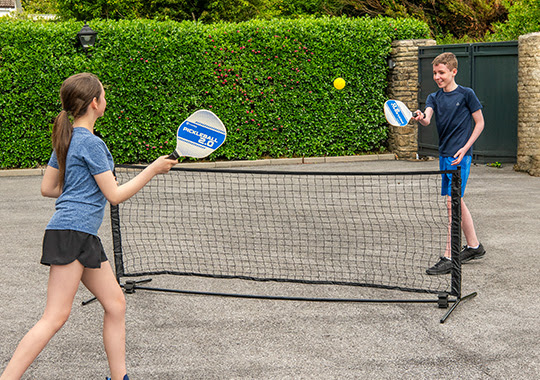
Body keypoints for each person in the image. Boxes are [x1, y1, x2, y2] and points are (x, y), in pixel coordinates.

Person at [0, 73, 177, 380]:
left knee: (116, 304)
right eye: (104, 96)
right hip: (73, 233)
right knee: (54, 317)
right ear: (95, 103)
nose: (106, 101)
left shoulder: (66, 140)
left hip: (80, 235)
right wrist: (154, 169)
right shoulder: (93, 144)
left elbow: (48, 188)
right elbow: (115, 195)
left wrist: (82, 189)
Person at [413, 52, 486, 275]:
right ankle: (474, 246)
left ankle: (449, 255)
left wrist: (466, 149)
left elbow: (480, 123)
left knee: (452, 203)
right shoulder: (434, 97)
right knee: (456, 202)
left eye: (441, 72)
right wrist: (418, 116)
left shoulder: (466, 95)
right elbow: (426, 119)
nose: (437, 76)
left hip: (460, 157)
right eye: (435, 73)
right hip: (444, 156)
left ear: (454, 72)